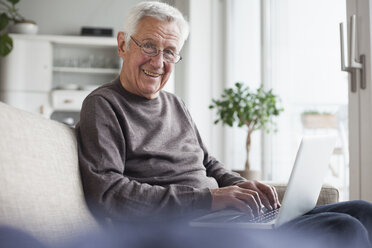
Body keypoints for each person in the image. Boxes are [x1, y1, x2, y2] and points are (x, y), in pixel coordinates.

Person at [76, 1, 372, 247]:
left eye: (169, 52)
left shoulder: (176, 104)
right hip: (183, 229)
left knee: (364, 211)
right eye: (150, 46)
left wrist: (243, 187)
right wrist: (208, 200)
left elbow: (209, 165)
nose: (158, 62)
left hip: (220, 218)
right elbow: (109, 195)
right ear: (123, 44)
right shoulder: (103, 105)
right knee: (344, 229)